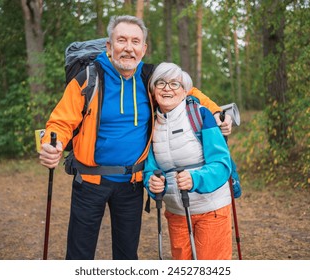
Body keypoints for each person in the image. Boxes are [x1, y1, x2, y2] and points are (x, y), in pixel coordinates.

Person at [39, 15, 232, 260]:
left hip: (132, 183)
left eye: (135, 41)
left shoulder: (150, 78)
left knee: (127, 256)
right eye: (121, 40)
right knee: (79, 255)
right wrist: (51, 144)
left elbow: (188, 90)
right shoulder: (88, 79)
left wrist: (216, 112)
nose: (128, 47)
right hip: (89, 182)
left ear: (143, 49)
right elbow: (61, 121)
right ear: (109, 46)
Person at [144, 62, 233, 260]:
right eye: (161, 83)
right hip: (176, 213)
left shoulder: (200, 115)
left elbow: (222, 163)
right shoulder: (150, 124)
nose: (167, 88)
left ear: (185, 91)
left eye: (174, 84)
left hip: (211, 211)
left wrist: (195, 179)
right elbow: (149, 168)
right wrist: (152, 182)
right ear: (153, 91)